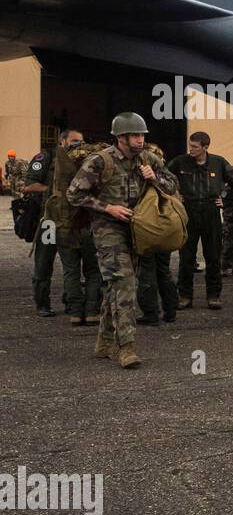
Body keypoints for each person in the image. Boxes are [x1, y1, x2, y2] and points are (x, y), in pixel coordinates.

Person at [65, 112, 178, 369]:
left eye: (142, 135)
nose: (140, 140)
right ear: (121, 138)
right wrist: (107, 208)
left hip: (138, 229)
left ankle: (104, 342)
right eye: (135, 136)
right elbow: (73, 194)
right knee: (125, 283)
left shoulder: (148, 159)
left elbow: (172, 185)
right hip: (107, 229)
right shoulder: (100, 161)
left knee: (118, 285)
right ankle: (126, 347)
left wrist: (154, 177)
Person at [169, 131, 233, 310]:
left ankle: (213, 296)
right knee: (186, 257)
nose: (190, 149)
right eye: (190, 145)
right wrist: (175, 196)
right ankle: (184, 296)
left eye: (194, 146)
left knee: (213, 257)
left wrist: (226, 200)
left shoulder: (219, 162)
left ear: (205, 147)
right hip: (189, 211)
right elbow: (164, 178)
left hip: (211, 211)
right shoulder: (180, 162)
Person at [43, 129, 102, 326]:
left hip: (63, 225)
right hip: (86, 225)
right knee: (93, 271)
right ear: (63, 141)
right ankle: (92, 311)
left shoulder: (58, 164)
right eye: (76, 141)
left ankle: (76, 312)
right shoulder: (93, 163)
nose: (79, 145)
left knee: (71, 271)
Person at [19, 144, 57, 317]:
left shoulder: (81, 159)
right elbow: (29, 185)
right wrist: (53, 192)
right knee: (43, 263)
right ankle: (42, 303)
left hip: (72, 222)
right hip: (48, 221)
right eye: (73, 140)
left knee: (74, 266)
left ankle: (74, 303)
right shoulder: (45, 158)